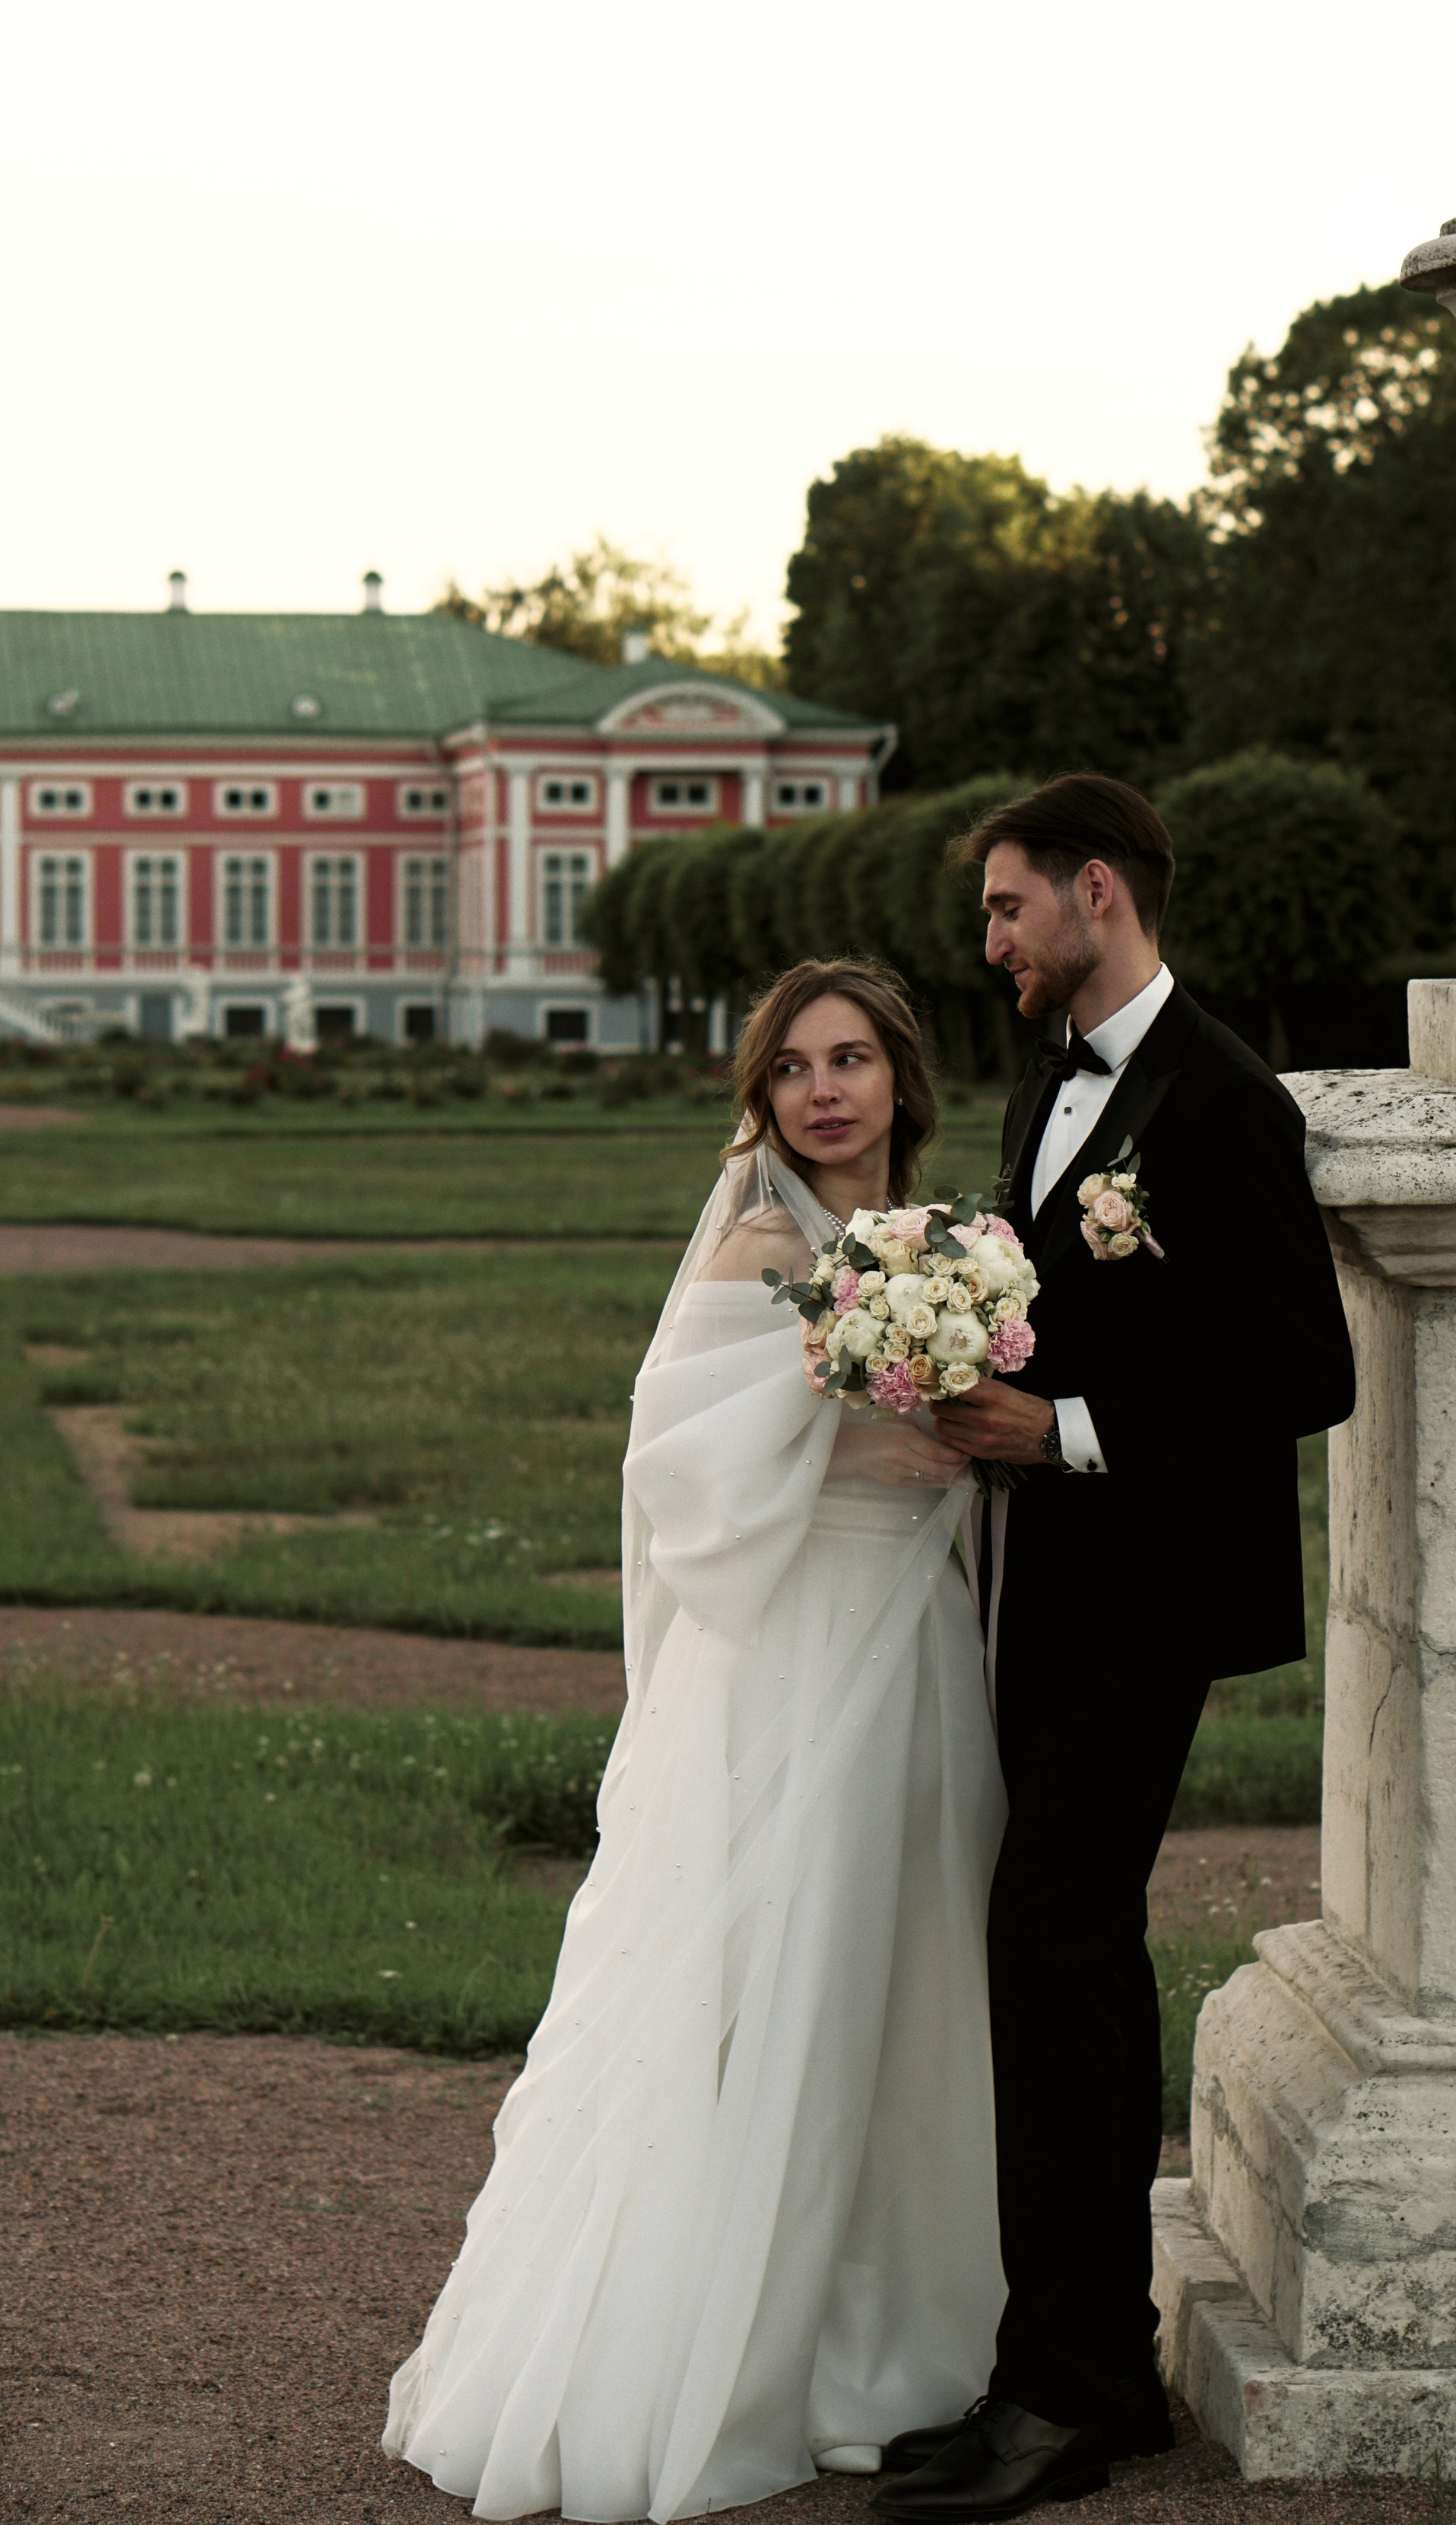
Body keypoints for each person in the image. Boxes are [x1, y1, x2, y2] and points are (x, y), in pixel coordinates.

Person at [384, 961, 1007, 2523]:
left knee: (908, 1969)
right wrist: (880, 1437)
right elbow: (683, 1471)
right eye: (792, 1065)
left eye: (850, 1059)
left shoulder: (930, 1247)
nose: (822, 1090)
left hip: (911, 1646)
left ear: (895, 1082)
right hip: (796, 1656)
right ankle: (747, 2349)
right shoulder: (754, 1238)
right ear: (763, 1094)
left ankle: (892, 2340)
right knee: (786, 1967)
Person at [871, 775, 1356, 2523]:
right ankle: (1065, 2371)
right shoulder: (1046, 1075)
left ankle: (1067, 2396)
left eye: (1008, 908)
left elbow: (1307, 1372)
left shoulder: (1220, 1101)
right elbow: (1049, 1295)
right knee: (1044, 1950)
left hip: (1140, 1592)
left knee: (1056, 1945)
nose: (989, 939)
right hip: (1042, 1587)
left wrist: (1061, 1428)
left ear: (1096, 892)